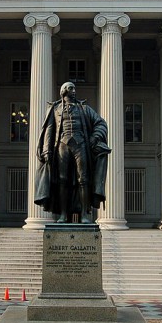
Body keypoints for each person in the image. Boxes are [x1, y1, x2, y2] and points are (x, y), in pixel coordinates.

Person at [35, 82, 110, 223]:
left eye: (74, 88)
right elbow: (49, 130)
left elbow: (101, 123)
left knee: (84, 179)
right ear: (63, 91)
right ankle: (63, 214)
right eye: (71, 88)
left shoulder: (84, 109)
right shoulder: (55, 109)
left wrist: (94, 137)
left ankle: (84, 215)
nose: (74, 91)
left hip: (81, 144)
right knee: (62, 180)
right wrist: (46, 149)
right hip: (62, 146)